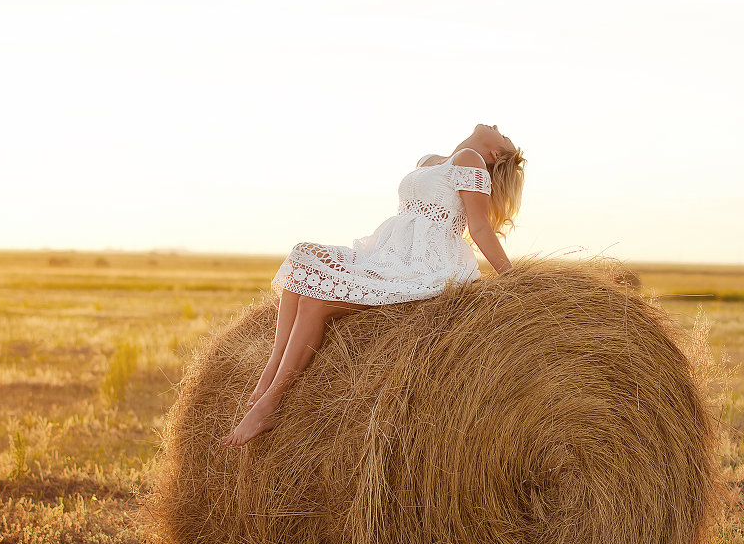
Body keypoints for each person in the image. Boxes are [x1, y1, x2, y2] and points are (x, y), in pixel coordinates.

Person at [221, 123, 525, 448]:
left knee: (316, 302)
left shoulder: (471, 160)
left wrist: (516, 280)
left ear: (494, 153)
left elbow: (479, 227)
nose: (497, 127)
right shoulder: (431, 160)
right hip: (388, 253)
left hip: (425, 262)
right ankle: (268, 375)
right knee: (302, 260)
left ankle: (271, 402)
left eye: (504, 136)